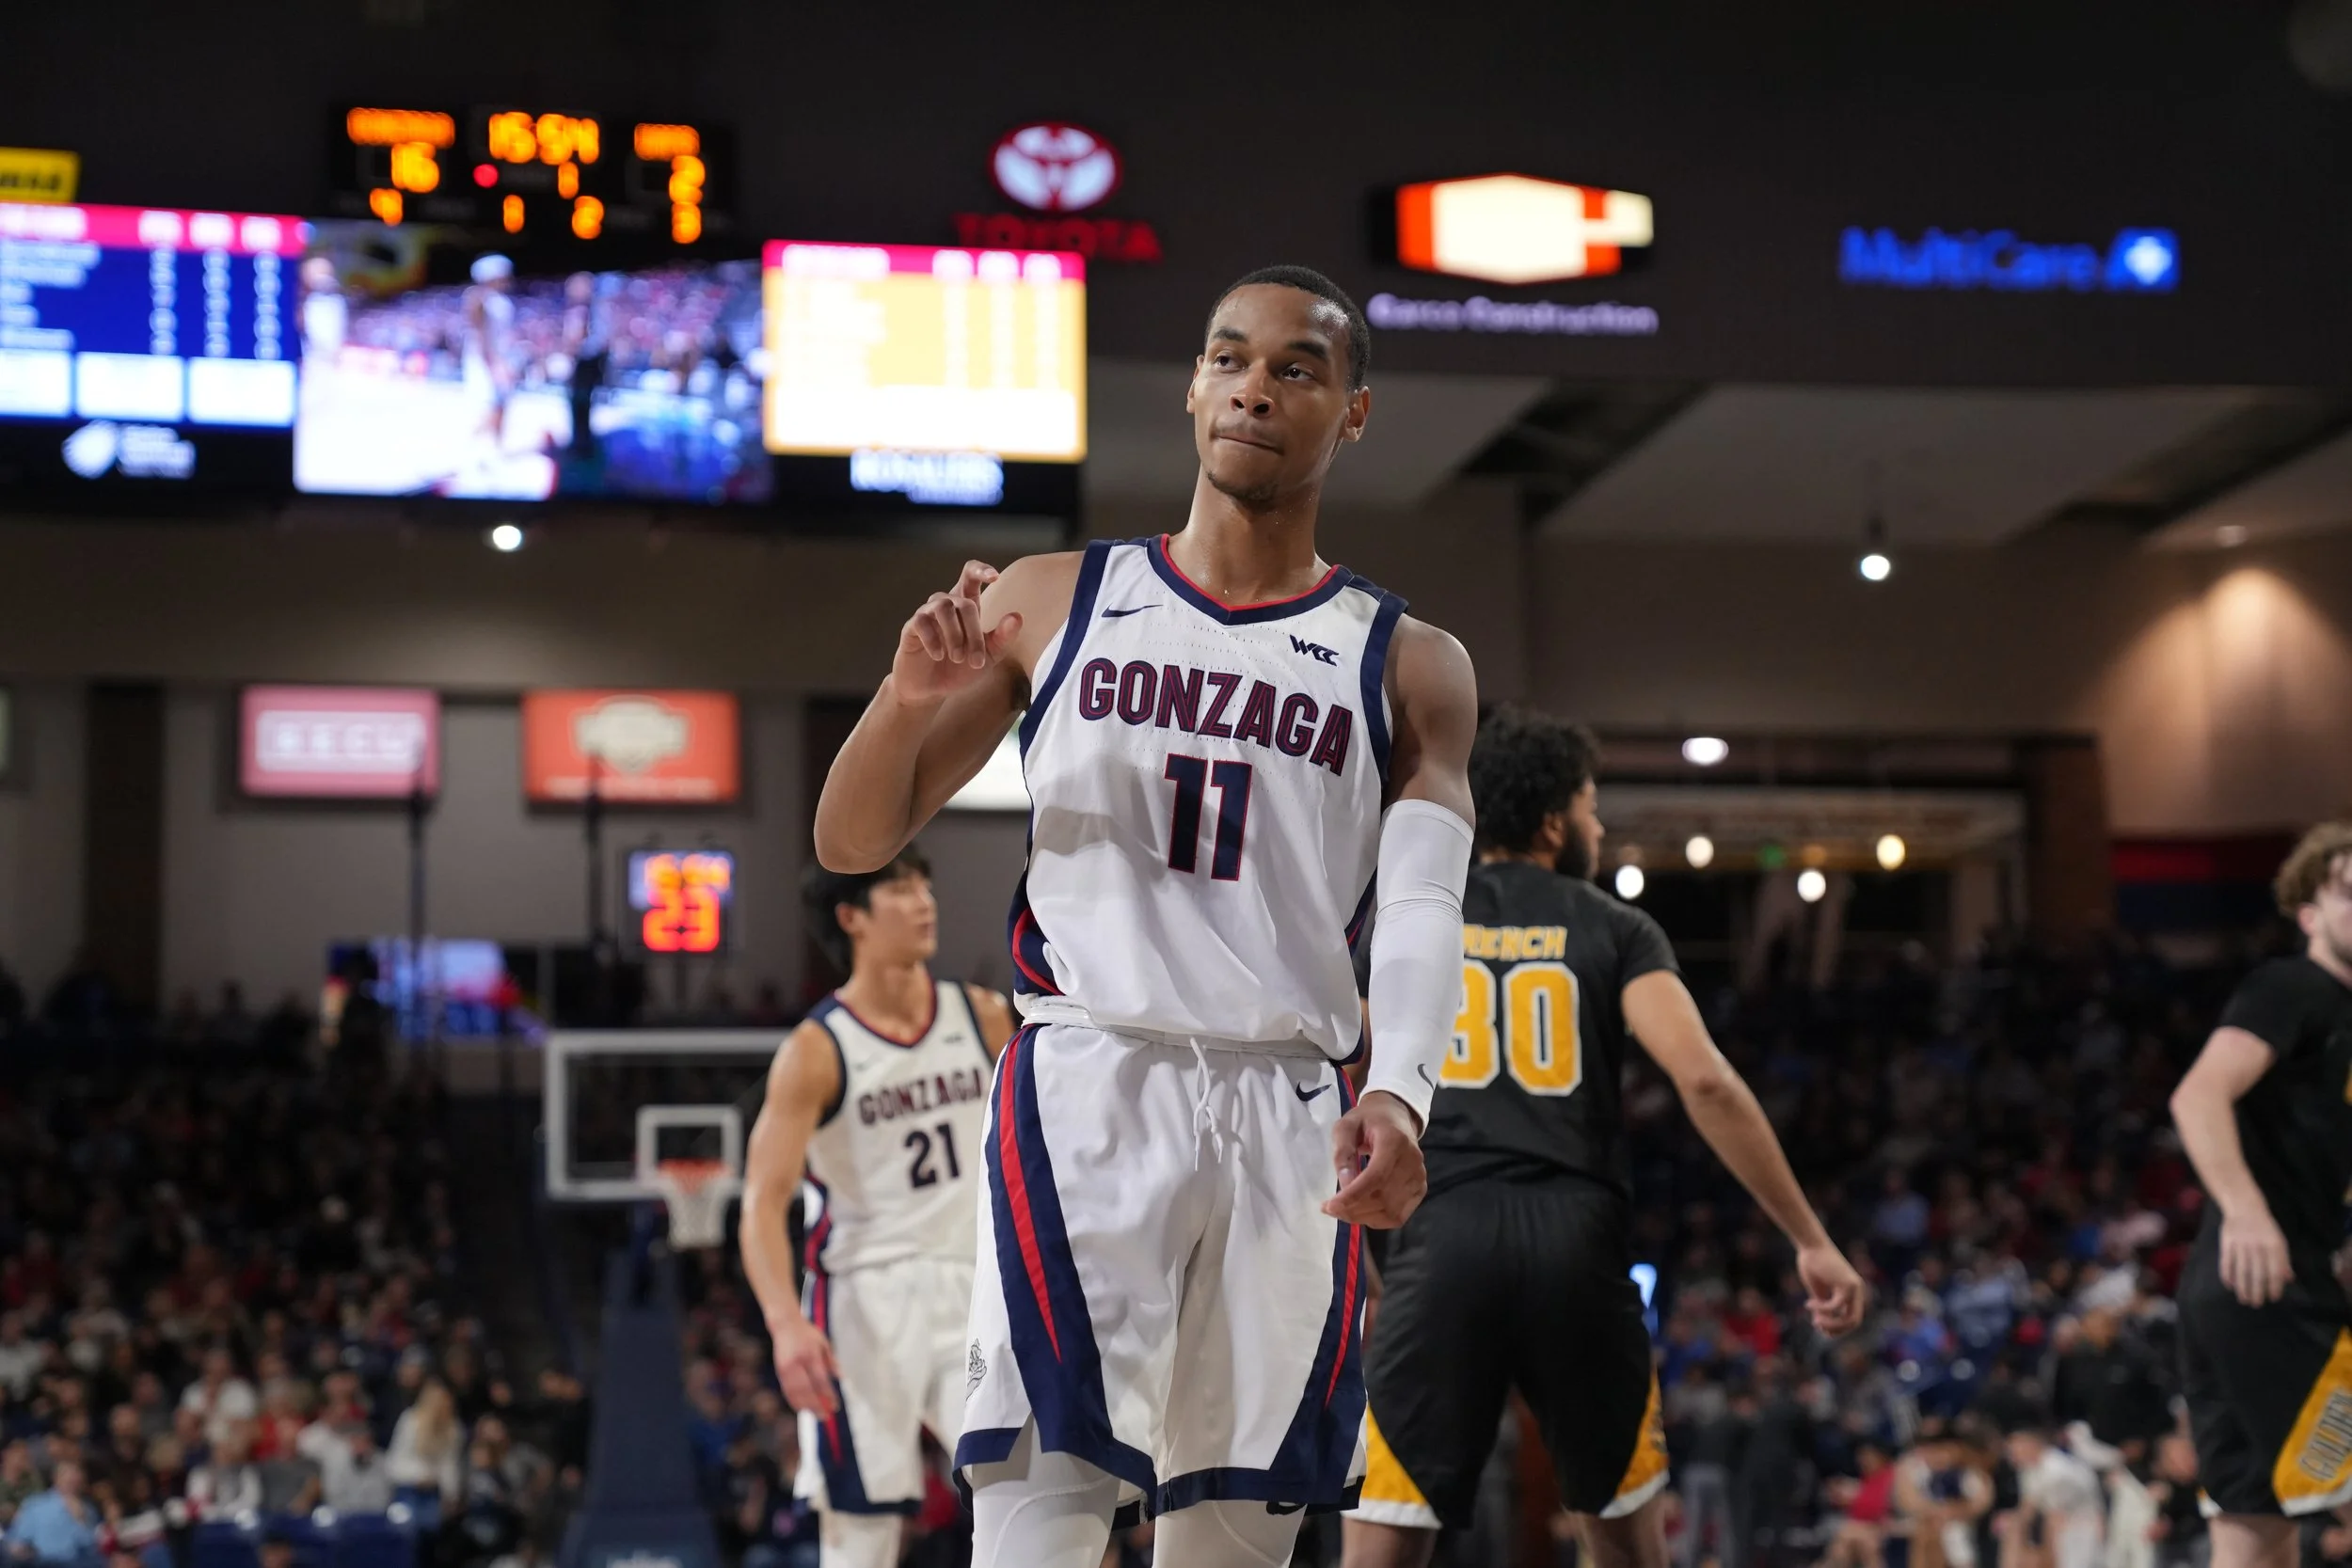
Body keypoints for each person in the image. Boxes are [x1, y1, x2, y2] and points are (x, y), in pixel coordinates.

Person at [813, 265, 1480, 1568]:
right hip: (1087, 1082)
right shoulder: (1054, 597)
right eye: (1229, 356)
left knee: (1233, 1534)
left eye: (1297, 368)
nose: (1255, 386)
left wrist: (1401, 1090)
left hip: (1290, 1105)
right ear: (1191, 386)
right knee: (1042, 1510)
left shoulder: (1407, 658)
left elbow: (1422, 901)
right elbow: (850, 839)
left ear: (1351, 412)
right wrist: (900, 701)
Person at [1344, 710, 1866, 1568]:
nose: (1597, 824)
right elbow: (1704, 1079)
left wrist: (1353, 1256)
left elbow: (1339, 1076)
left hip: (1440, 1242)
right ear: (1554, 821)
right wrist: (1809, 1237)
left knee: (1381, 1553)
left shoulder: (1413, 918)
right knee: (1623, 1547)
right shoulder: (1616, 927)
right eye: (1590, 806)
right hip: (1575, 1243)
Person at [738, 850, 1013, 1568]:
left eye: (925, 882)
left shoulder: (981, 1014)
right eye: (899, 888)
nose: (923, 900)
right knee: (861, 1538)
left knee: (1034, 1496)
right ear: (851, 917)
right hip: (863, 1302)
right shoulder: (816, 1049)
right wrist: (784, 1323)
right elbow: (763, 1201)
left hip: (975, 1284)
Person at [2169, 822, 2352, 1568]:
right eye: (2349, 888)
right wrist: (2247, 1208)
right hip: (2267, 1288)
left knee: (2252, 1535)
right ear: (2309, 913)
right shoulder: (2292, 986)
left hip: (2229, 1296)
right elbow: (2198, 1094)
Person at [1998, 1428, 2103, 1568]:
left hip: (2081, 1525)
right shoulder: (2028, 1469)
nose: (2012, 1456)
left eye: (2016, 1450)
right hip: (2057, 1522)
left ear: (2032, 1446)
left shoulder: (2057, 1470)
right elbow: (2027, 1508)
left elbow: (2054, 1518)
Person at [7, 1461, 98, 1565]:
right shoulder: (36, 1504)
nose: (73, 1482)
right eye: (69, 1479)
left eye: (76, 1479)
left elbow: (92, 1545)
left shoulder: (88, 1508)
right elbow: (17, 1540)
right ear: (56, 1478)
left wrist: (81, 1519)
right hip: (43, 1562)